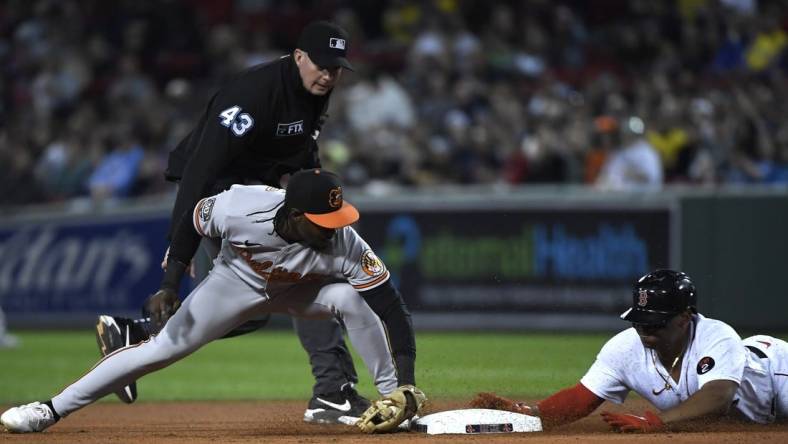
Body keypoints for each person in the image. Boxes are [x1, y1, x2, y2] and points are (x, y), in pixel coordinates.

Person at [0, 169, 426, 434]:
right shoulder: (241, 207)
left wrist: (406, 381)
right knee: (161, 350)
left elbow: (391, 307)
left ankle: (394, 400)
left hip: (298, 290)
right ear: (295, 215)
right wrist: (170, 281)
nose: (333, 230)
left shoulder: (345, 241)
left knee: (352, 299)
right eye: (323, 223)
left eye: (337, 220)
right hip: (234, 283)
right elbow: (193, 219)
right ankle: (48, 410)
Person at [93, 20, 370, 424]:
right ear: (298, 57)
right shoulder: (252, 96)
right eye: (321, 65)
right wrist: (174, 266)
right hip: (218, 194)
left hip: (257, 190)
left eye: (336, 68)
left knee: (251, 312)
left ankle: (140, 334)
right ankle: (332, 391)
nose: (329, 74)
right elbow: (199, 176)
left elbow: (303, 155)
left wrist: (318, 204)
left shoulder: (314, 91)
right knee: (310, 275)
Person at [471, 269, 787, 431]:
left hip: (777, 376)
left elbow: (718, 397)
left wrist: (658, 421)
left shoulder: (717, 336)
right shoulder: (626, 347)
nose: (645, 329)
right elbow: (581, 398)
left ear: (684, 318)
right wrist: (532, 413)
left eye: (656, 322)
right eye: (640, 321)